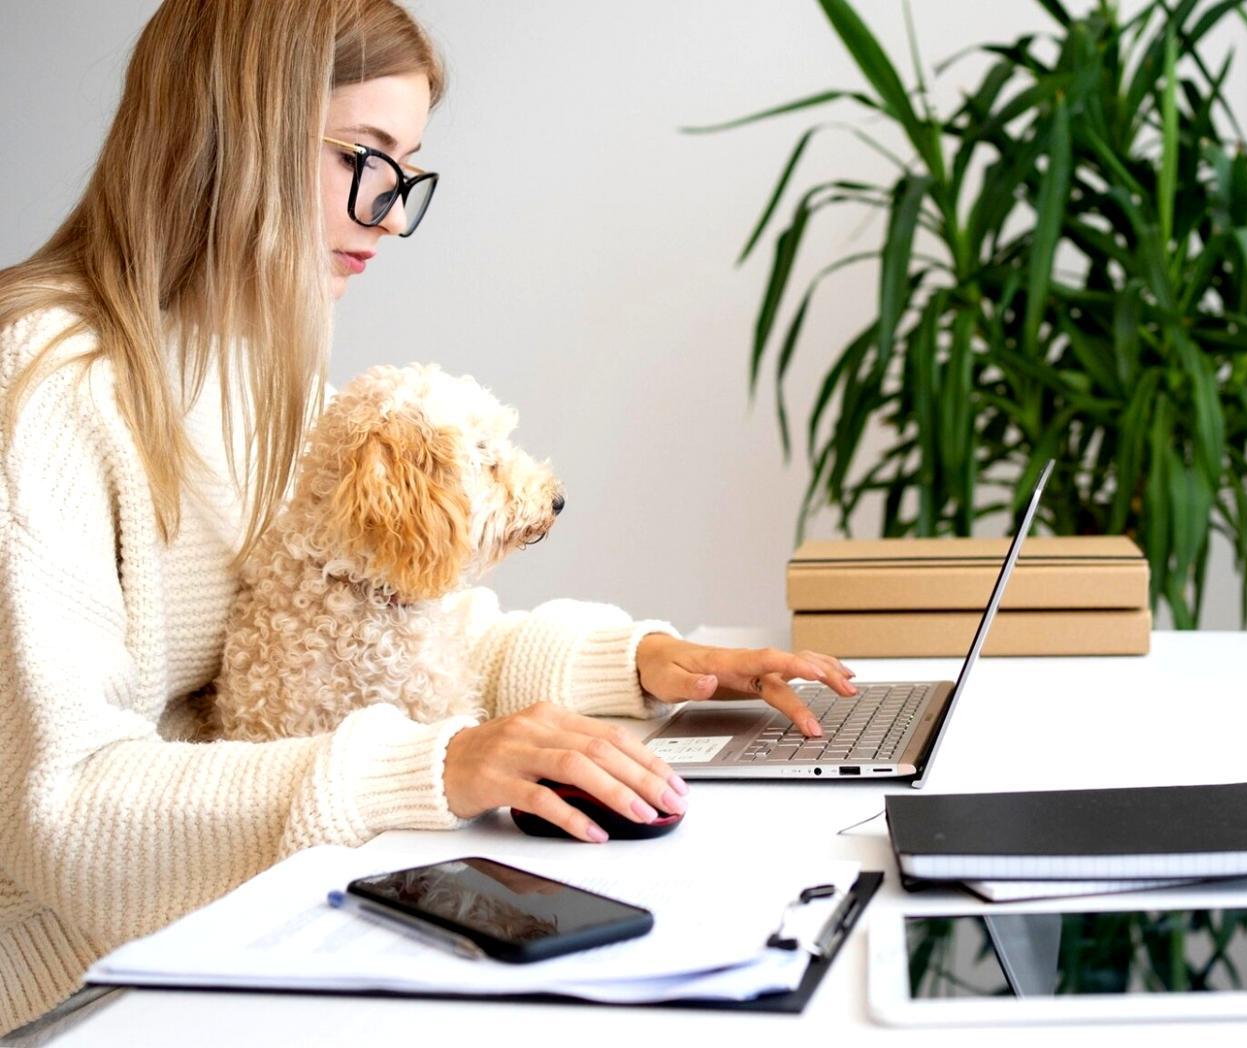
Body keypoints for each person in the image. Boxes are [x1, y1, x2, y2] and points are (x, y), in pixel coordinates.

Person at [0, 0, 856, 1032]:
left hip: (240, 933)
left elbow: (385, 623)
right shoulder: (45, 389)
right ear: (236, 132)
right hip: (87, 993)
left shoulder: (251, 366)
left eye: (405, 172)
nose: (392, 215)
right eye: (366, 157)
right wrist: (436, 765)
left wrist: (640, 662)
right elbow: (64, 814)